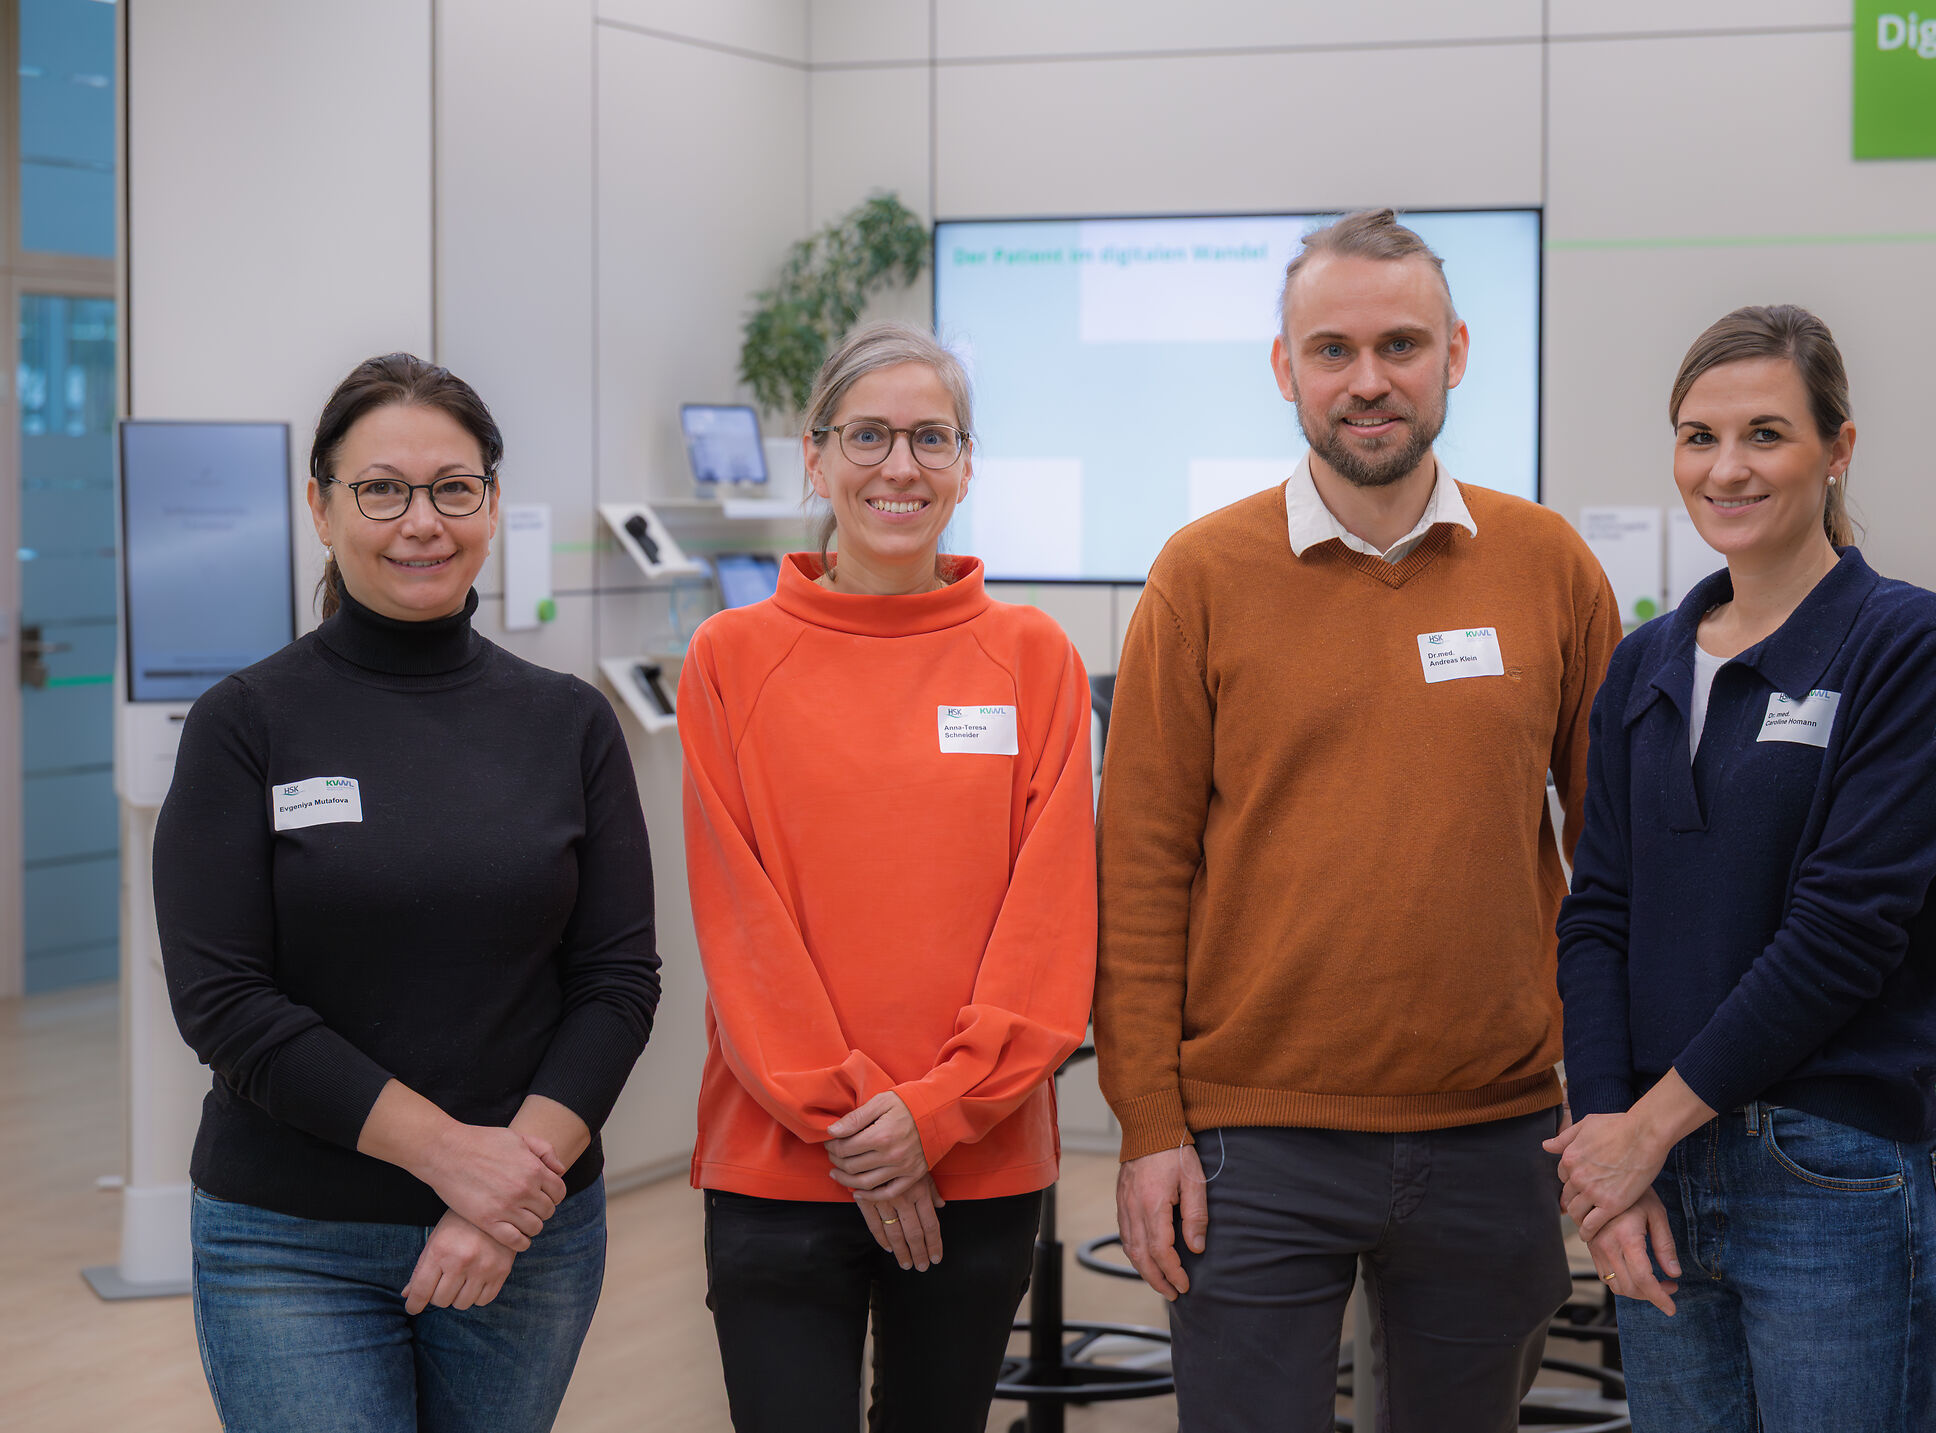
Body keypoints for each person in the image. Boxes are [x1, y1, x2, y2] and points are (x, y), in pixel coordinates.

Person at [1094, 208, 1621, 1430]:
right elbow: (1138, 871)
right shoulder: (1200, 575)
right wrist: (1147, 1125)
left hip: (1497, 1129)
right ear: (1284, 367)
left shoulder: (1547, 566)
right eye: (1331, 349)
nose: (1367, 379)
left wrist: (1605, 1094)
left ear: (1455, 353)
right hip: (1248, 1138)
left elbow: (1615, 862)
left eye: (1401, 344)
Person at [156, 353, 662, 1433]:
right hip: (290, 1236)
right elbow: (225, 1002)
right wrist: (458, 1160)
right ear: (320, 506)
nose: (420, 521)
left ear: (489, 500)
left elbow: (616, 980)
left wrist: (508, 1190)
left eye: (453, 487)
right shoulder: (245, 723)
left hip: (531, 1228)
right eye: (381, 488)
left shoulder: (566, 723)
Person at [1550, 305, 1936, 1433]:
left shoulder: (1907, 644)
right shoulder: (1645, 660)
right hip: (1652, 1171)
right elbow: (1596, 909)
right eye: (1697, 436)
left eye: (1764, 432)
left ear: (1836, 447)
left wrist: (1635, 1131)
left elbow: (1841, 932)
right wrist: (1608, 1146)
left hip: (1827, 1171)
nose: (1726, 467)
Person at [679, 321, 1096, 1433]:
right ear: (814, 458)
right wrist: (873, 1130)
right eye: (867, 434)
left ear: (966, 465)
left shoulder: (1032, 656)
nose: (898, 465)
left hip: (982, 1165)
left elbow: (1051, 922)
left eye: (929, 437)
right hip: (777, 1163)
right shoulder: (730, 656)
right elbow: (739, 925)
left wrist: (938, 1113)